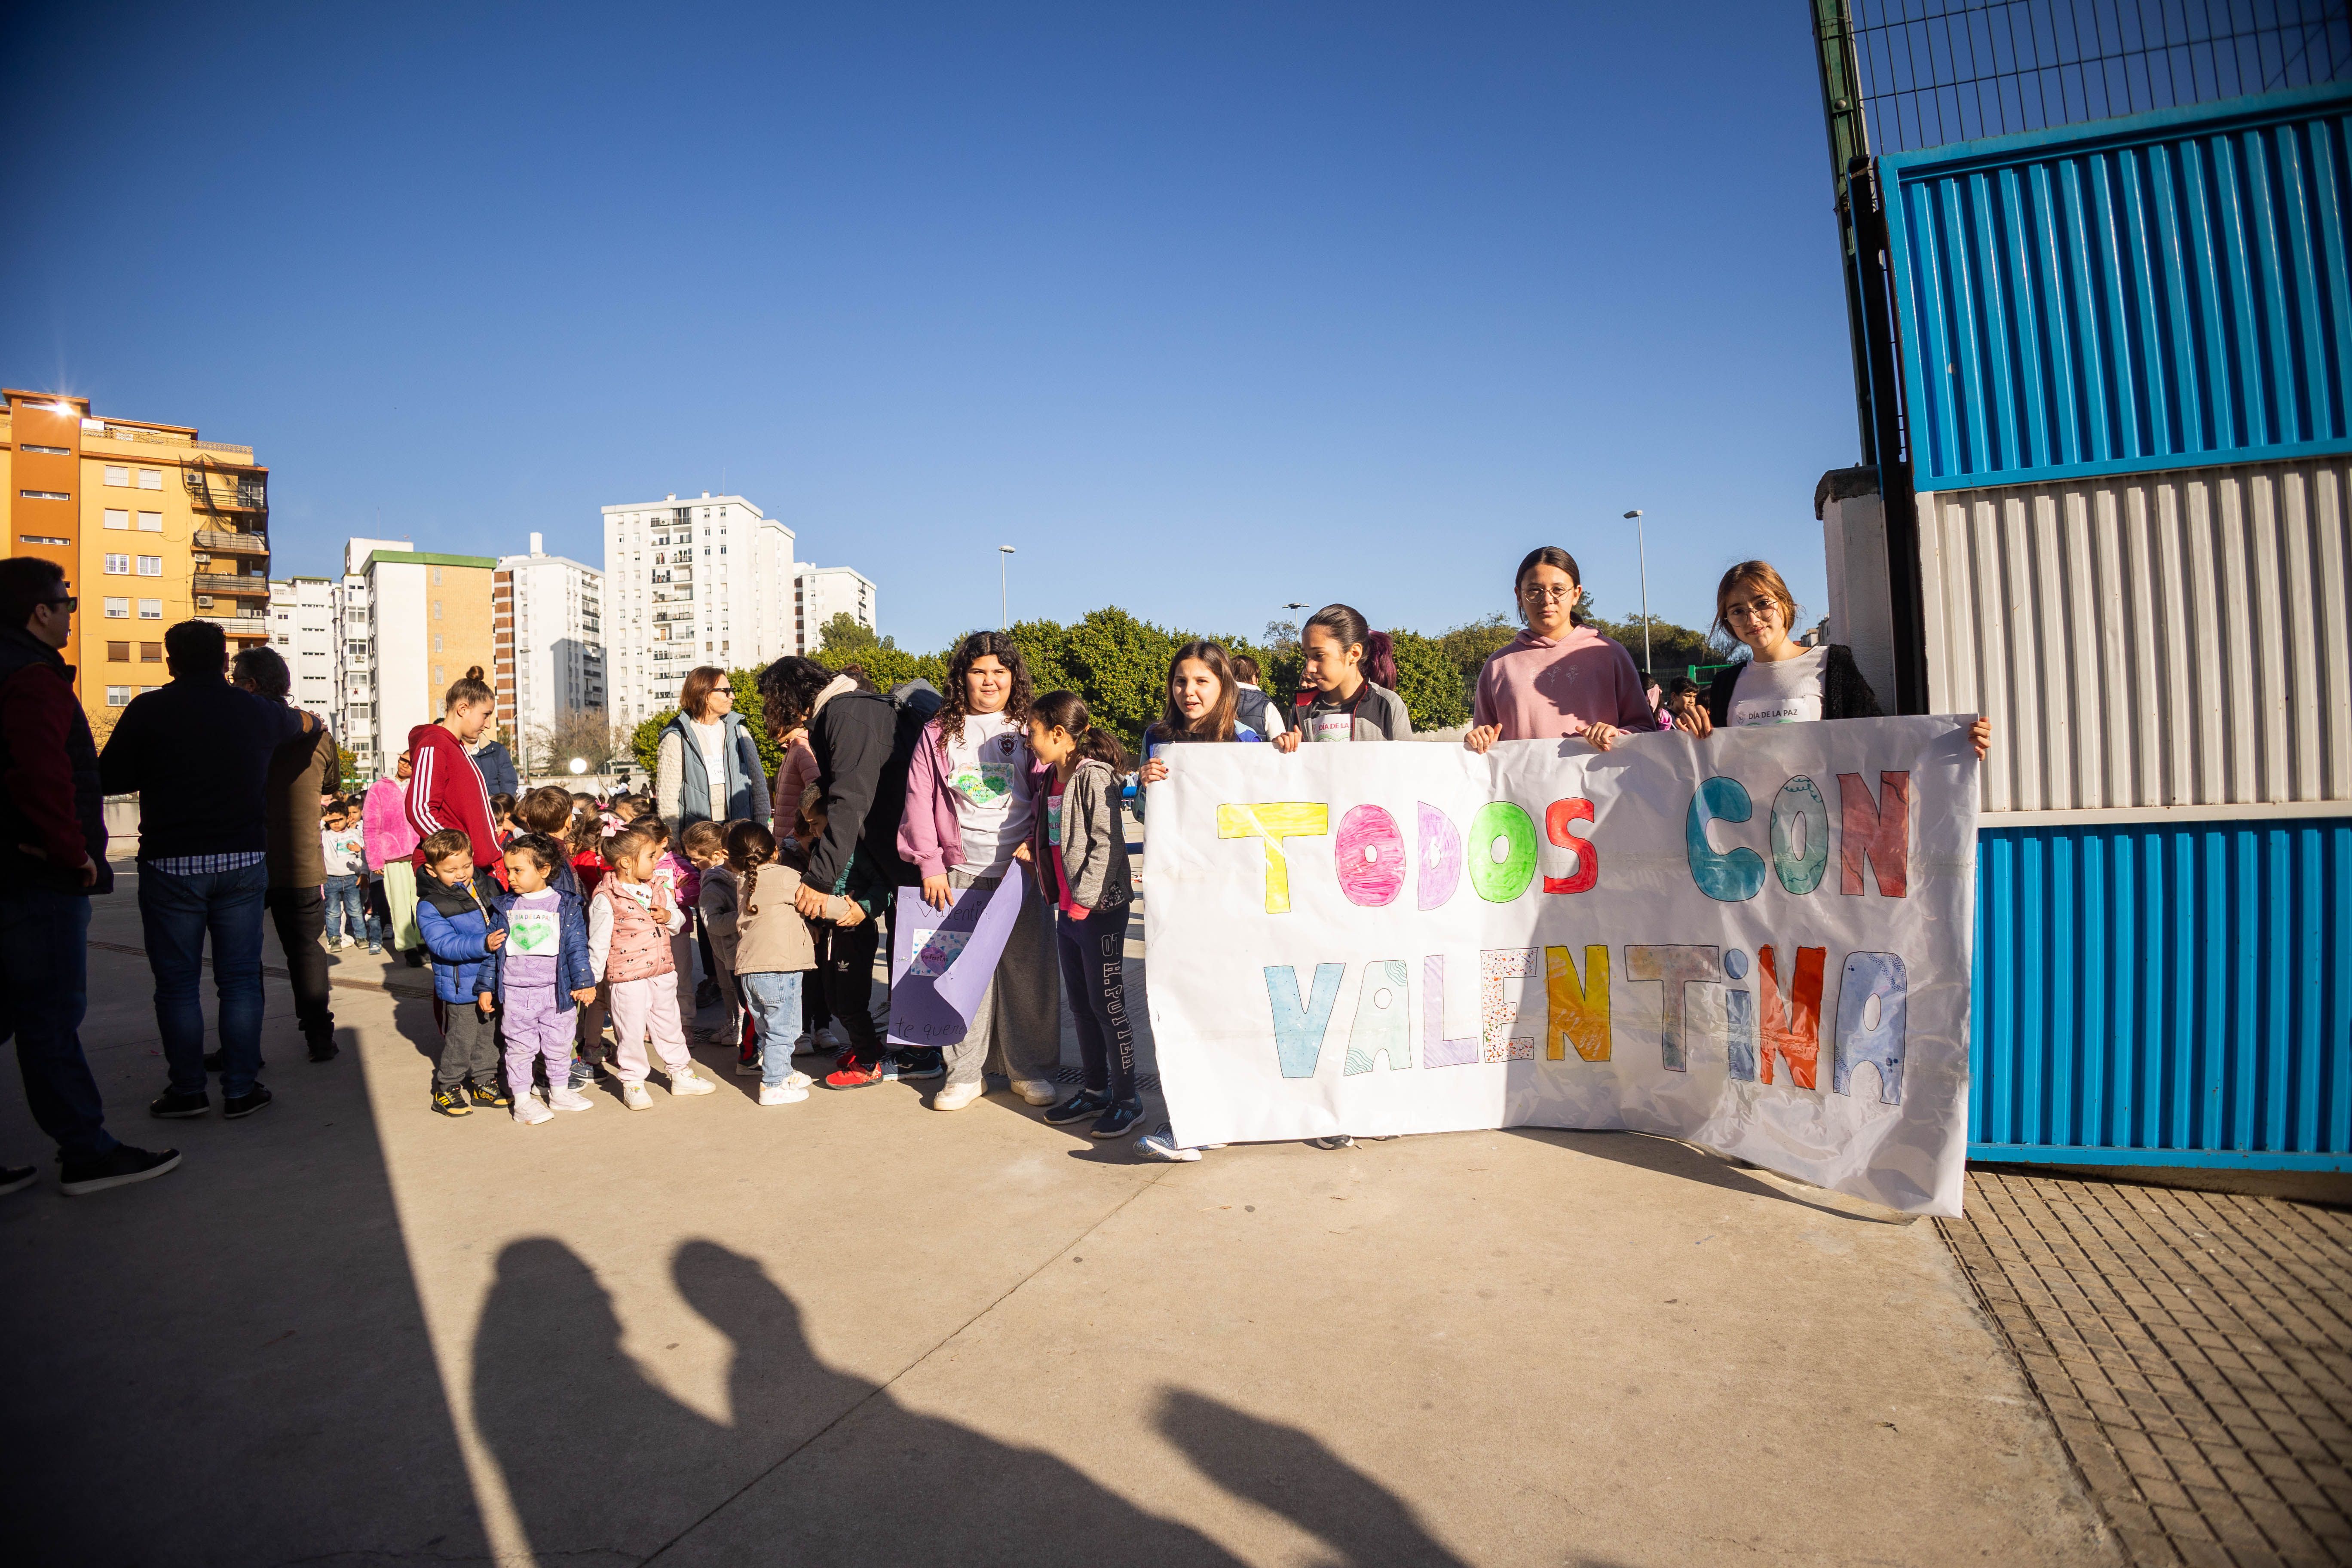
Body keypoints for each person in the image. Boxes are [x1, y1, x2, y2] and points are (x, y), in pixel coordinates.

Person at [0, 557, 179, 1196]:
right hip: (38, 876)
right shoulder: (31, 678)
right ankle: (87, 1152)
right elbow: (45, 775)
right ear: (39, 612)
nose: (72, 613)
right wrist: (72, 853)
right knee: (50, 1016)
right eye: (65, 602)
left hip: (19, 870)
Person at [100, 618, 317, 1122]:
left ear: (170, 662)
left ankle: (188, 1091)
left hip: (171, 864)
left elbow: (110, 777)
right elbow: (303, 723)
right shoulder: (256, 711)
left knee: (176, 984)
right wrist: (311, 723)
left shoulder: (148, 710)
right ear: (225, 662)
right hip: (242, 860)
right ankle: (241, 1090)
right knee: (240, 980)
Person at [896, 631, 1061, 1106]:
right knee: (958, 974)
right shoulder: (937, 732)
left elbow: (1055, 787)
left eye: (1000, 672)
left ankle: (1028, 1069)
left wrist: (1037, 843)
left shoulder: (1029, 727)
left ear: (1014, 678)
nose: (990, 681)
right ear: (962, 677)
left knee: (1029, 974)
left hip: (1021, 872)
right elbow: (918, 801)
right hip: (957, 873)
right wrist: (930, 865)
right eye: (979, 671)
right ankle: (965, 1074)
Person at [754, 655, 908, 1090]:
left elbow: (848, 801)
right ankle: (880, 1050)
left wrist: (820, 882)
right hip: (889, 872)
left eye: (770, 700)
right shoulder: (846, 709)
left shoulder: (846, 713)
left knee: (868, 990)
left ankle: (890, 1058)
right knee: (852, 995)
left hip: (896, 874)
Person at [1675, 559, 1994, 759]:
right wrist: (1689, 736)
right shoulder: (1726, 684)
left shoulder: (1832, 664)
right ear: (1728, 622)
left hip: (1821, 830)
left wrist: (1953, 744)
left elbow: (1880, 741)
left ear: (1785, 604)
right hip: (1749, 833)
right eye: (1738, 611)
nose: (1753, 617)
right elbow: (1710, 763)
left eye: (1762, 603)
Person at [1024, 692, 1143, 1136]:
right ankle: (1095, 1091)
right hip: (1069, 913)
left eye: (1033, 732)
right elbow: (1057, 838)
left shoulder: (1093, 778)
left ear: (1058, 734)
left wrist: (1084, 902)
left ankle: (1127, 1098)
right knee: (1081, 1005)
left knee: (1107, 1006)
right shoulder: (1052, 778)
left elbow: (1107, 845)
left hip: (1099, 912)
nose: (1028, 741)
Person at [233, 645, 344, 1063]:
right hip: (298, 859)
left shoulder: (239, 728)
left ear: (250, 684)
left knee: (240, 956)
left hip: (243, 855)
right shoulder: (316, 732)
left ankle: (241, 1045)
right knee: (306, 951)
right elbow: (331, 781)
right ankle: (319, 1037)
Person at [1463, 547, 1657, 754]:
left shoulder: (1611, 654)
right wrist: (1478, 738)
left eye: (1558, 590)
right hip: (1523, 785)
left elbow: (1645, 731)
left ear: (1576, 594)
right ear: (1519, 595)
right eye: (1534, 590)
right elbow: (1485, 742)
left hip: (1597, 784)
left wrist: (1616, 735)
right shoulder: (1499, 664)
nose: (1547, 600)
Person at [589, 821, 717, 1110]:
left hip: (662, 972)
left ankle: (680, 1072)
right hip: (627, 978)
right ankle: (633, 1081)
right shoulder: (607, 897)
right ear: (625, 862)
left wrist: (669, 918)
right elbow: (597, 942)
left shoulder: (658, 888)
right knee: (631, 1030)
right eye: (650, 856)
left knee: (669, 1024)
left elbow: (682, 921)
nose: (657, 860)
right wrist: (593, 980)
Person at [726, 819, 845, 1106]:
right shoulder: (785, 876)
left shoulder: (743, 882)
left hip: (749, 971)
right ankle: (773, 1084)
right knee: (786, 1030)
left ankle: (782, 1071)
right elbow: (820, 902)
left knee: (769, 1028)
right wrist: (849, 908)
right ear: (775, 851)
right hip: (780, 968)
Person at [487, 832, 598, 1125]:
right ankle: (523, 1100)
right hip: (516, 992)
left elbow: (576, 946)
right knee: (520, 1047)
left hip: (556, 991)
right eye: (508, 870)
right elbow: (493, 951)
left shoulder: (565, 905)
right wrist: (486, 987)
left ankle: (559, 1092)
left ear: (545, 870)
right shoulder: (504, 906)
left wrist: (584, 982)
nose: (510, 877)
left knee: (560, 1043)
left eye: (518, 870)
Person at [415, 828, 511, 1117]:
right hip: (462, 987)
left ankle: (484, 1082)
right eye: (451, 870)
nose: (461, 874)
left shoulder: (489, 885)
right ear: (432, 870)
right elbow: (443, 944)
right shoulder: (430, 904)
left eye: (466, 866)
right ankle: (447, 1087)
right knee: (461, 1039)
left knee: (490, 1034)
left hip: (491, 979)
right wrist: (482, 943)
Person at [406, 667, 505, 881]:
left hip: (469, 871)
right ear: (463, 709)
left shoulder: (456, 747)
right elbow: (420, 808)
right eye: (485, 715)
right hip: (453, 874)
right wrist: (457, 857)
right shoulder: (435, 744)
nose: (488, 724)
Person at [1272, 604, 1413, 748]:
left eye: (1319, 655)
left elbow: (1408, 765)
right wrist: (1282, 749)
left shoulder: (1388, 704)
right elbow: (1296, 768)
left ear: (1354, 654)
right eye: (1306, 656)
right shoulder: (1301, 708)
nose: (1309, 668)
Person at [657, 666, 772, 834]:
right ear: (704, 694)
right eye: (726, 691)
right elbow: (667, 797)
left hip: (740, 831)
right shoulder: (677, 738)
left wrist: (762, 825)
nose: (732, 696)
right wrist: (673, 837)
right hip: (699, 837)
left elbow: (759, 783)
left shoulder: (740, 733)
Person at [682, 820, 742, 1050]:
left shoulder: (715, 878)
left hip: (728, 942)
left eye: (697, 859)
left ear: (717, 854)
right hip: (723, 944)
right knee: (728, 987)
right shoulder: (721, 874)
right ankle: (732, 1021)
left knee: (735, 988)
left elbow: (714, 915)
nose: (694, 864)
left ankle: (739, 1025)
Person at [364, 751, 425, 966]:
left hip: (420, 853)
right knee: (399, 904)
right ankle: (408, 948)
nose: (404, 765)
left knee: (422, 902)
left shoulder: (420, 788)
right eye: (402, 760)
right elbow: (370, 827)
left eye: (410, 763)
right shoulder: (379, 788)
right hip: (392, 855)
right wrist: (375, 860)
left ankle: (423, 942)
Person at [320, 802, 379, 953]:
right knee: (333, 912)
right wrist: (325, 819)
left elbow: (365, 857)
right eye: (332, 821)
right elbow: (315, 828)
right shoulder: (325, 836)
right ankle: (334, 938)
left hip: (352, 878)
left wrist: (364, 873)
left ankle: (361, 937)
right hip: (331, 879)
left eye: (339, 819)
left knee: (355, 910)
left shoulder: (354, 835)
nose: (336, 824)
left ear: (347, 818)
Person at [1227, 652, 1288, 741]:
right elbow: (1279, 743)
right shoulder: (1268, 706)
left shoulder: (1215, 703)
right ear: (1254, 679)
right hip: (1258, 754)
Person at [471, 733, 521, 801]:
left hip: (496, 808)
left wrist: (503, 805)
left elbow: (508, 782)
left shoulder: (497, 750)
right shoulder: (454, 752)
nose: (487, 726)